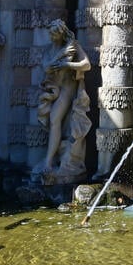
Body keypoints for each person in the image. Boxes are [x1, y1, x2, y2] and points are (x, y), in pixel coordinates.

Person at [38, 19, 91, 175]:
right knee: (53, 122)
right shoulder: (50, 50)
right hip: (54, 90)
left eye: (54, 34)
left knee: (55, 119)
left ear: (61, 34)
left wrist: (68, 65)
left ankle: (48, 161)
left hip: (68, 89)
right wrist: (61, 56)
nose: (51, 37)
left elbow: (86, 64)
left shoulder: (73, 46)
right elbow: (47, 68)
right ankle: (51, 159)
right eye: (50, 34)